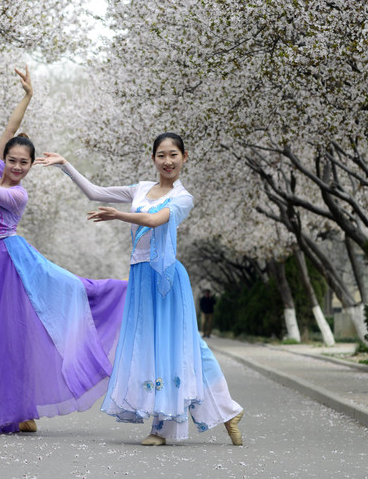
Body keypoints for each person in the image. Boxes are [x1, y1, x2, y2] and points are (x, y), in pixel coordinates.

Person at [0, 66, 126, 434]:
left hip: (13, 263)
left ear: (31, 166)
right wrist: (27, 97)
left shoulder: (17, 194)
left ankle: (18, 409)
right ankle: (0, 408)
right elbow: (9, 132)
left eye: (24, 163)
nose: (16, 167)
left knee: (13, 335)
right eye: (12, 160)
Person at [36, 133, 245, 446]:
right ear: (153, 158)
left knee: (172, 346)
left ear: (184, 157)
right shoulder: (141, 188)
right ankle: (228, 411)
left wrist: (118, 215)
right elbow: (95, 192)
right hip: (140, 276)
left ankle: (165, 426)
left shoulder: (183, 197)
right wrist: (65, 165)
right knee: (174, 345)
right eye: (161, 155)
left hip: (165, 279)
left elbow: (155, 219)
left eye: (173, 154)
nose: (168, 161)